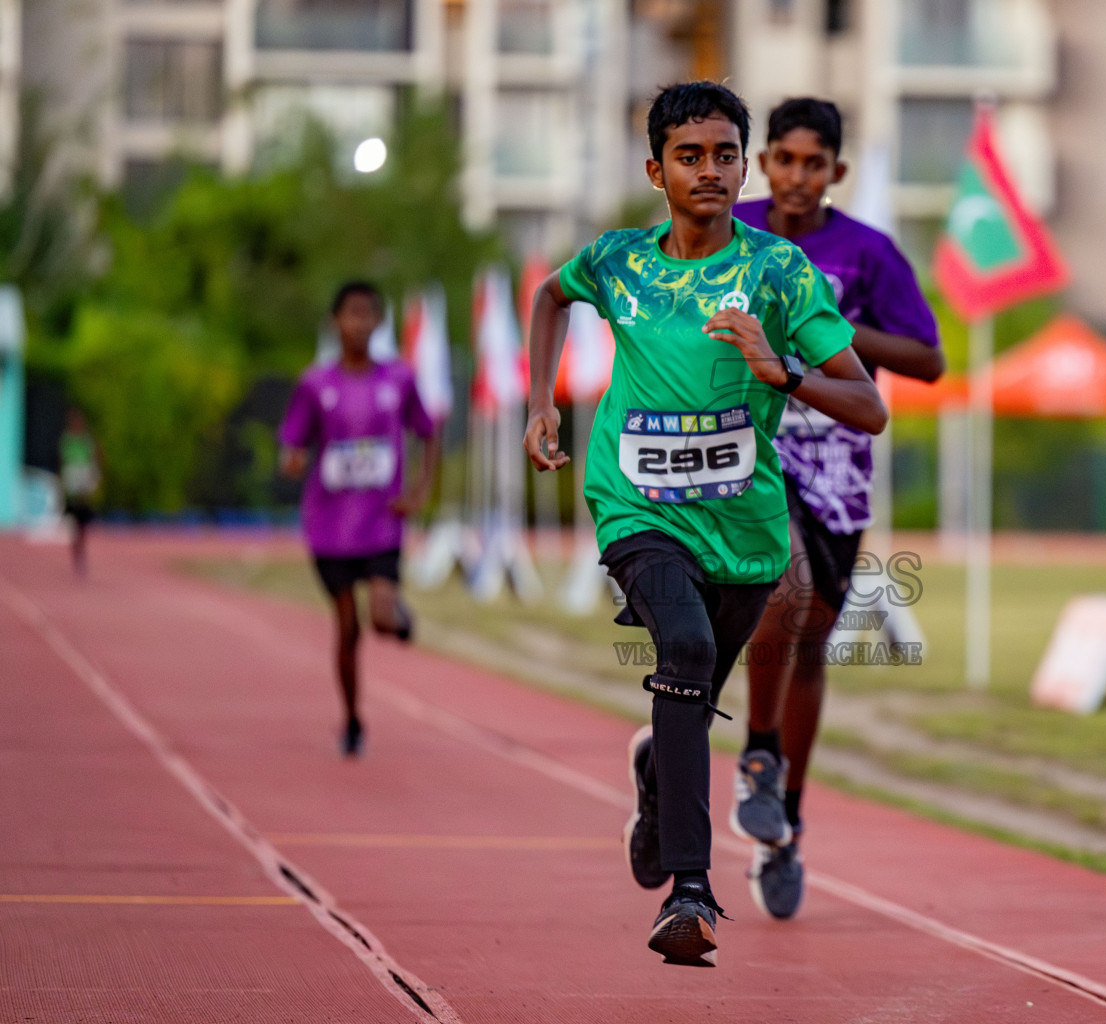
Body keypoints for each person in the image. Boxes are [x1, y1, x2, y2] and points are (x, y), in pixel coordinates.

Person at [523, 81, 886, 968]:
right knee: (682, 656)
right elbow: (547, 299)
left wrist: (783, 372)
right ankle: (692, 891)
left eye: (727, 154)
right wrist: (541, 406)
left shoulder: (779, 273)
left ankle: (658, 780)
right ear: (657, 170)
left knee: (692, 694)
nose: (712, 170)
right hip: (635, 502)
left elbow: (869, 406)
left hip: (747, 532)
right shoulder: (618, 262)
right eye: (691, 156)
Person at [732, 98, 943, 919]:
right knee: (779, 595)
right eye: (781, 159)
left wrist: (835, 330)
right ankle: (750, 756)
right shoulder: (732, 234)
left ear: (836, 173)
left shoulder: (869, 253)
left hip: (838, 462)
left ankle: (785, 821)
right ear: (763, 165)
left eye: (811, 162)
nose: (794, 176)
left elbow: (928, 358)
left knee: (811, 640)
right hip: (742, 446)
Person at [279, 281, 441, 757]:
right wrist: (290, 459)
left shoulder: (398, 378)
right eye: (351, 313)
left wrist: (420, 490)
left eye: (369, 314)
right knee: (347, 629)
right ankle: (352, 720)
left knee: (382, 618)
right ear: (335, 322)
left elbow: (428, 432)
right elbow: (293, 442)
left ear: (378, 323)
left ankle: (400, 617)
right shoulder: (315, 384)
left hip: (382, 522)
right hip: (330, 528)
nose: (360, 323)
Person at [59, 407, 102, 577]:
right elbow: (62, 460)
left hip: (83, 477)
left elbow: (96, 455)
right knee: (73, 521)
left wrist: (94, 476)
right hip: (72, 479)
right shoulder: (67, 440)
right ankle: (76, 547)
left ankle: (81, 545)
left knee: (82, 518)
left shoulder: (85, 441)